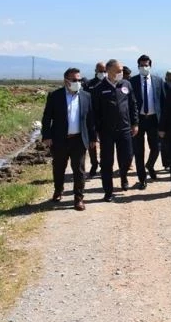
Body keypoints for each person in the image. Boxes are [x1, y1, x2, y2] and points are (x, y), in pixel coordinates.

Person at [41, 68, 96, 211]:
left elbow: (90, 120)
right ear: (66, 80)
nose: (77, 82)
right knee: (59, 167)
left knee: (79, 170)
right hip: (59, 139)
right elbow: (47, 118)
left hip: (78, 139)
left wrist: (93, 138)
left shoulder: (86, 96)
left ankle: (78, 199)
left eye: (79, 80)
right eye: (74, 80)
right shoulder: (55, 96)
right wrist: (46, 136)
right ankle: (58, 190)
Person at [92, 59, 139, 201]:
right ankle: (108, 191)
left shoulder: (126, 84)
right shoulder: (99, 88)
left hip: (125, 128)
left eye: (122, 71)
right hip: (107, 131)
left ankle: (124, 176)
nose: (121, 73)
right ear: (109, 71)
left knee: (127, 157)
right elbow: (95, 112)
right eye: (118, 71)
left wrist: (135, 123)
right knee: (107, 162)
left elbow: (133, 105)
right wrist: (96, 131)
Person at [129, 54, 165, 184]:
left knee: (156, 148)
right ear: (138, 66)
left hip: (154, 119)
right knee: (139, 151)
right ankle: (142, 178)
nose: (144, 67)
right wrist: (132, 122)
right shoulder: (131, 82)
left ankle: (150, 165)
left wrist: (163, 123)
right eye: (142, 65)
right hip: (138, 120)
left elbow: (163, 101)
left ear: (150, 66)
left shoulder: (158, 81)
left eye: (146, 65)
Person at [83, 61, 107, 178]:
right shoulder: (89, 84)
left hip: (105, 120)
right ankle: (94, 164)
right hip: (91, 119)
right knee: (92, 143)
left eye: (104, 71)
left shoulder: (109, 84)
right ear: (96, 71)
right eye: (100, 71)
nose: (102, 73)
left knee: (105, 144)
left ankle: (104, 165)